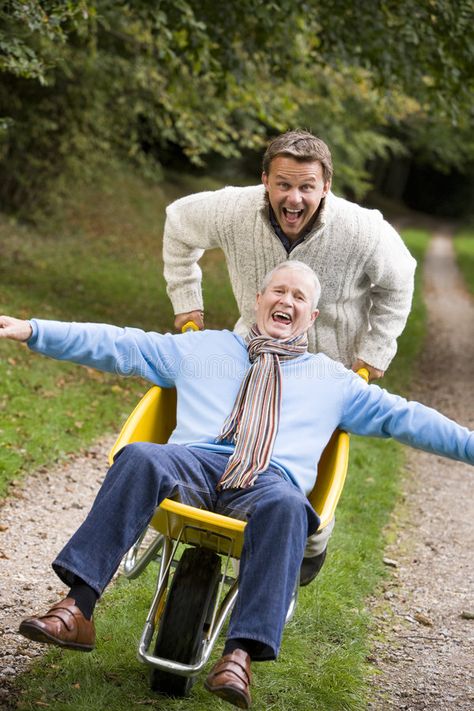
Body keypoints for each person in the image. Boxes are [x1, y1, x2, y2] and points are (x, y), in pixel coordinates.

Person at [1, 262, 472, 710]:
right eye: (279, 291)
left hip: (269, 481)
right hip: (196, 462)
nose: (286, 301)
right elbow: (120, 344)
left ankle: (240, 656)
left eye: (299, 296)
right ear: (258, 299)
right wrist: (33, 330)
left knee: (289, 506)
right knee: (142, 455)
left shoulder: (334, 382)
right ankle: (76, 610)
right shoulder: (203, 349)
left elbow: (407, 417)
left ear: (313, 315)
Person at [162, 129, 417, 583]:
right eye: (283, 184)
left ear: (326, 188)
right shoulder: (234, 211)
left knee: (308, 479)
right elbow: (179, 223)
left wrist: (373, 355)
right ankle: (209, 512)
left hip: (327, 373)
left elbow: (399, 281)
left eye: (306, 187)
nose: (293, 198)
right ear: (265, 181)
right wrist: (188, 305)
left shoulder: (361, 231)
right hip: (255, 353)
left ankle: (307, 542)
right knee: (232, 444)